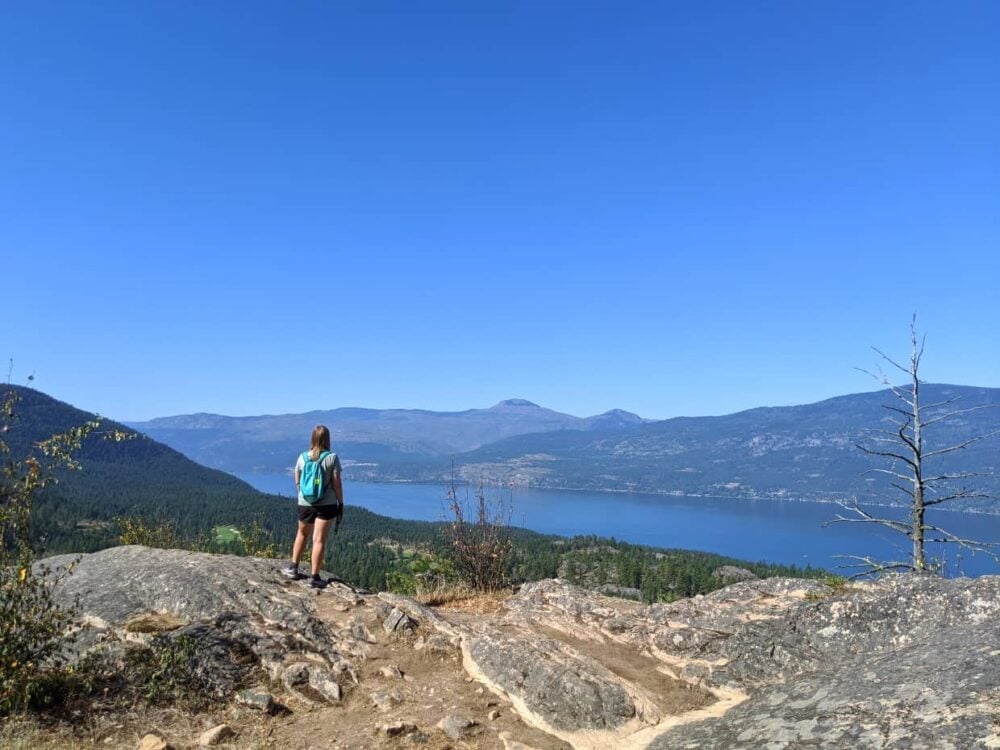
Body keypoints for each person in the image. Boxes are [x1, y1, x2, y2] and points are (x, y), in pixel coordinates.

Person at [282, 424, 344, 588]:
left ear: (313, 439)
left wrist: (303, 495)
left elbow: (297, 479)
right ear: (328, 439)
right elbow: (337, 484)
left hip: (305, 503)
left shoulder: (302, 457)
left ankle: (293, 568)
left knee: (302, 534)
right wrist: (340, 502)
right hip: (327, 503)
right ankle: (315, 577)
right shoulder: (332, 458)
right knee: (319, 540)